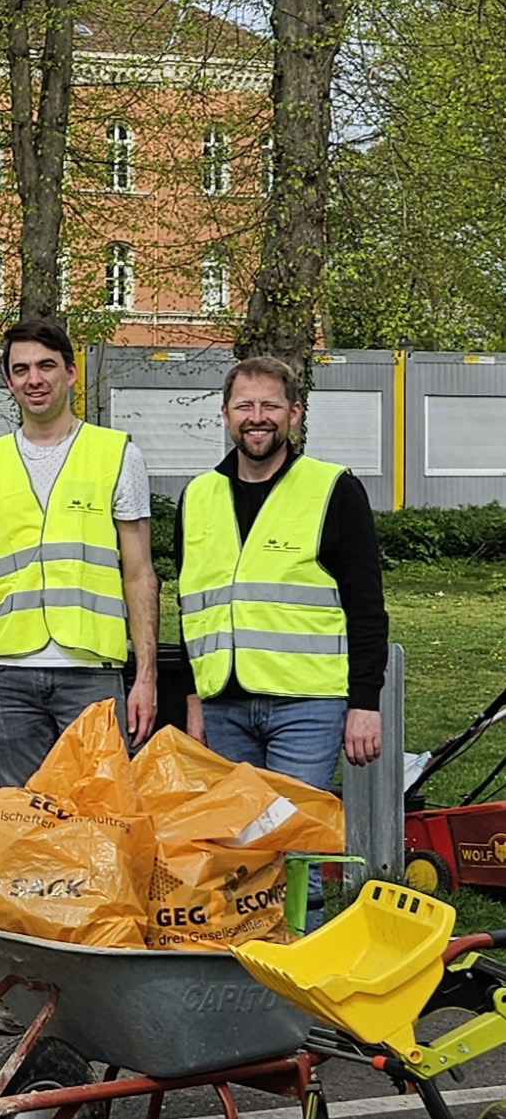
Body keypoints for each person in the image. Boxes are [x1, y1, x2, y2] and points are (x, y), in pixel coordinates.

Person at [177, 357, 386, 924]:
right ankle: (249, 981)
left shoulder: (333, 489)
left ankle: (300, 995)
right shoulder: (197, 496)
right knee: (239, 850)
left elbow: (366, 607)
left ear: (294, 414)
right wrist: (193, 699)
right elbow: (190, 606)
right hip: (224, 705)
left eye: (270, 405)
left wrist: (364, 703)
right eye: (245, 406)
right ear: (225, 415)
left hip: (307, 704)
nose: (257, 417)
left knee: (296, 851)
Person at [0, 319, 159, 784]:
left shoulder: (118, 455)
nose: (34, 379)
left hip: (91, 673)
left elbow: (140, 574)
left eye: (46, 366)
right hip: (7, 673)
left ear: (71, 372)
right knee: (26, 827)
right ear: (8, 381)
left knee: (99, 824)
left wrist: (146, 676)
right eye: (21, 369)